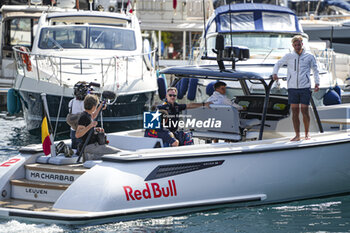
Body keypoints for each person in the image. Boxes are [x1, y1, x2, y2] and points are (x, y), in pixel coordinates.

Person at [272, 35, 320, 141]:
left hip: (305, 87)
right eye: (295, 45)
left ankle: (307, 134)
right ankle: (297, 135)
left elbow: (315, 70)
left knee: (305, 111)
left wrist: (317, 83)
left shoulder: (309, 56)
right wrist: (275, 73)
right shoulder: (289, 56)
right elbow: (278, 64)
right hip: (292, 88)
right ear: (292, 45)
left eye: (299, 44)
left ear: (302, 44)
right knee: (295, 112)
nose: (297, 46)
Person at [76, 94, 120, 161]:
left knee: (113, 152)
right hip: (90, 146)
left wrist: (100, 107)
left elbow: (93, 115)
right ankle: (89, 156)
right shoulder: (83, 117)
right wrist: (90, 126)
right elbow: (78, 134)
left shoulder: (88, 115)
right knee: (118, 153)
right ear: (93, 107)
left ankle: (91, 157)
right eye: (96, 106)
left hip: (94, 145)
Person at [68, 82, 86, 149]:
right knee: (81, 148)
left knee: (74, 146)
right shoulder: (83, 103)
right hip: (81, 130)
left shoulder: (71, 101)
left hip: (73, 128)